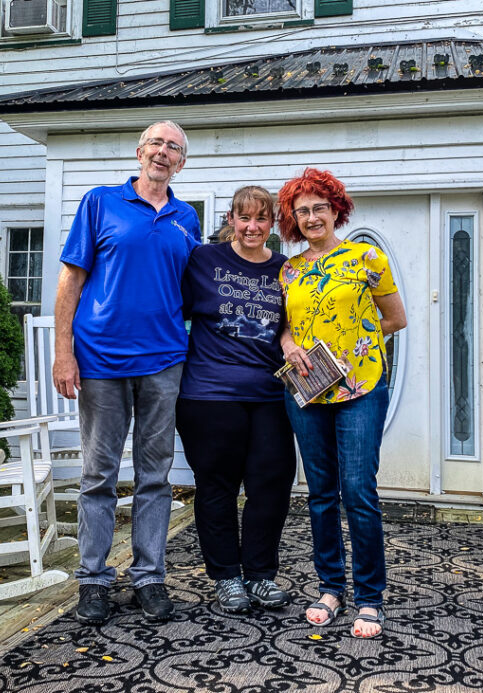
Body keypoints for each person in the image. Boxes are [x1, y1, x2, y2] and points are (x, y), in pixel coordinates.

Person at [53, 121, 201, 625]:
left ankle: (149, 577)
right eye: (156, 144)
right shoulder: (100, 202)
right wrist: (63, 351)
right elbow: (71, 278)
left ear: (181, 163)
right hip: (101, 361)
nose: (163, 152)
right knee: (98, 474)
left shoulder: (187, 219)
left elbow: (192, 292)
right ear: (140, 153)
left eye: (174, 148)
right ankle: (93, 581)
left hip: (163, 361)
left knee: (156, 475)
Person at [277, 168, 407, 639]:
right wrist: (289, 344)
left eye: (319, 208)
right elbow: (286, 324)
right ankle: (331, 588)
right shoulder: (288, 269)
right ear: (293, 219)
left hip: (360, 388)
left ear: (336, 210)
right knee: (320, 494)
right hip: (308, 391)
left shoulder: (366, 258)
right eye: (302, 211)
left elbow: (395, 318)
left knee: (358, 490)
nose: (312, 217)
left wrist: (358, 345)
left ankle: (369, 597)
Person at [176, 186, 297, 613]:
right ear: (231, 219)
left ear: (273, 224)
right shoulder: (203, 261)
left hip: (268, 395)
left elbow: (290, 325)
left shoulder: (285, 269)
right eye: (244, 218)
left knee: (272, 484)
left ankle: (260, 576)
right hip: (208, 395)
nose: (252, 227)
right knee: (217, 487)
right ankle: (226, 577)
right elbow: (174, 310)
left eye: (261, 219)